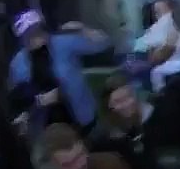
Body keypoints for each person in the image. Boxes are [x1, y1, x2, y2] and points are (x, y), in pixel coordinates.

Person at [7, 9, 110, 137]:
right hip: (48, 128)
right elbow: (20, 100)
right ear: (22, 38)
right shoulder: (18, 63)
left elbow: (103, 43)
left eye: (38, 29)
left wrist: (83, 29)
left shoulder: (63, 43)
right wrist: (39, 101)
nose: (36, 35)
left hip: (82, 117)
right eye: (30, 33)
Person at [90, 74, 177, 169]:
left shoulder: (148, 117)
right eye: (118, 101)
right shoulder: (103, 137)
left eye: (128, 97)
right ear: (109, 105)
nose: (126, 104)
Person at [134, 0, 180, 92]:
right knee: (156, 73)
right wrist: (169, 45)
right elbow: (153, 59)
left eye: (164, 11)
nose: (162, 16)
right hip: (168, 65)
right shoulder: (154, 31)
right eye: (157, 13)